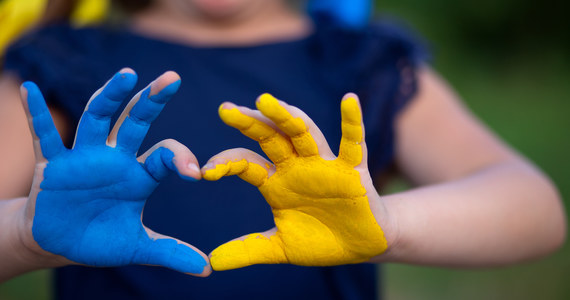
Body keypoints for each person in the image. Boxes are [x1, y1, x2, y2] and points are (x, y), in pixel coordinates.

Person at [0, 0, 566, 299]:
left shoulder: (361, 63)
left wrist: (390, 223)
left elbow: (534, 208)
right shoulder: (60, 64)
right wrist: (25, 234)